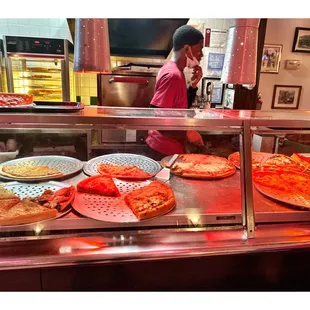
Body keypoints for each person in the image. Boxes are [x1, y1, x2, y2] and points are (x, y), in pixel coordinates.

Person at [146, 25, 208, 160]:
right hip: (163, 149)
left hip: (167, 147)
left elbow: (179, 107)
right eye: (200, 48)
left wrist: (193, 86)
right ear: (187, 49)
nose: (201, 54)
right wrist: (187, 132)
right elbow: (155, 117)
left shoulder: (175, 70)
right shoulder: (173, 75)